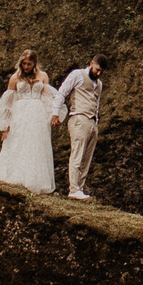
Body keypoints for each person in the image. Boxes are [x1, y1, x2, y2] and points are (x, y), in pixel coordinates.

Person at [0, 48, 62, 192]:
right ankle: (16, 175)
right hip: (20, 112)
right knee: (19, 141)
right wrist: (6, 126)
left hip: (37, 113)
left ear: (34, 64)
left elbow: (47, 97)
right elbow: (8, 103)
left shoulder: (43, 76)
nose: (26, 67)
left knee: (36, 143)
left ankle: (34, 179)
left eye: (29, 64)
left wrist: (53, 115)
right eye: (24, 63)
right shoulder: (15, 78)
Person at [50, 54, 105, 200]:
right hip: (79, 117)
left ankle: (79, 188)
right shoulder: (77, 75)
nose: (98, 73)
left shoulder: (99, 84)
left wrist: (96, 121)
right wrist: (55, 113)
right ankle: (73, 188)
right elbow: (62, 92)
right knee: (78, 153)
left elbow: (97, 104)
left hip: (92, 121)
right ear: (91, 63)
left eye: (101, 72)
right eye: (97, 69)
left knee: (87, 157)